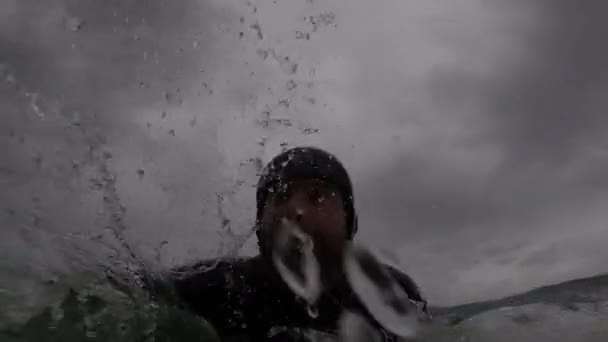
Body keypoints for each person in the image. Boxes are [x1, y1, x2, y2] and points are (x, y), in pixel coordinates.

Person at [160, 147, 428, 341]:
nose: (296, 210)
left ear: (351, 223)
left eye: (317, 197)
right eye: (281, 197)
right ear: (258, 226)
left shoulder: (391, 295)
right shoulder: (212, 289)